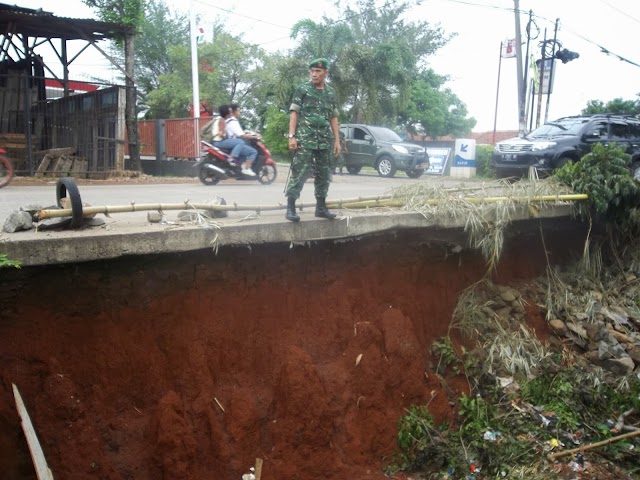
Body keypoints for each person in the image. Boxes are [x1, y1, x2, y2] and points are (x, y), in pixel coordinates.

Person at [285, 57, 341, 222]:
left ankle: (321, 208)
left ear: (325, 73)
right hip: (305, 139)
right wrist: (292, 136)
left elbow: (334, 117)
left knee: (324, 173)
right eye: (312, 71)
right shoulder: (303, 90)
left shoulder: (330, 93)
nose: (314, 74)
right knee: (300, 172)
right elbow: (294, 113)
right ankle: (290, 208)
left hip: (324, 139)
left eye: (318, 71)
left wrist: (337, 140)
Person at [201, 104, 256, 176]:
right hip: (218, 142)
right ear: (227, 113)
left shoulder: (218, 119)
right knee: (241, 142)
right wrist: (224, 134)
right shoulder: (222, 120)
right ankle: (232, 158)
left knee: (240, 143)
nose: (231, 113)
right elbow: (221, 133)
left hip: (215, 142)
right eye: (230, 112)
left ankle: (239, 166)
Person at [226, 103, 261, 175]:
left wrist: (248, 133)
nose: (239, 113)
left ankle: (240, 166)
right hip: (234, 144)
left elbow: (241, 132)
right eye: (238, 111)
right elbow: (243, 136)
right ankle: (246, 168)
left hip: (230, 142)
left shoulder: (228, 121)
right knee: (253, 151)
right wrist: (255, 137)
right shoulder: (233, 122)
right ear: (234, 112)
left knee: (245, 146)